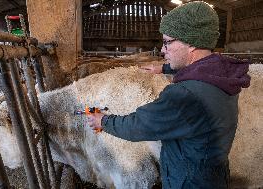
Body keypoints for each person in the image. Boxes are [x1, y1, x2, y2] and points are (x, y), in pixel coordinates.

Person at [87, 1, 251, 189]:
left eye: (167, 42)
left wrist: (103, 122)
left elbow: (140, 125)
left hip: (188, 182)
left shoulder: (184, 95)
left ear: (190, 43)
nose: (163, 50)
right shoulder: (222, 76)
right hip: (213, 176)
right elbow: (198, 70)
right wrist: (164, 68)